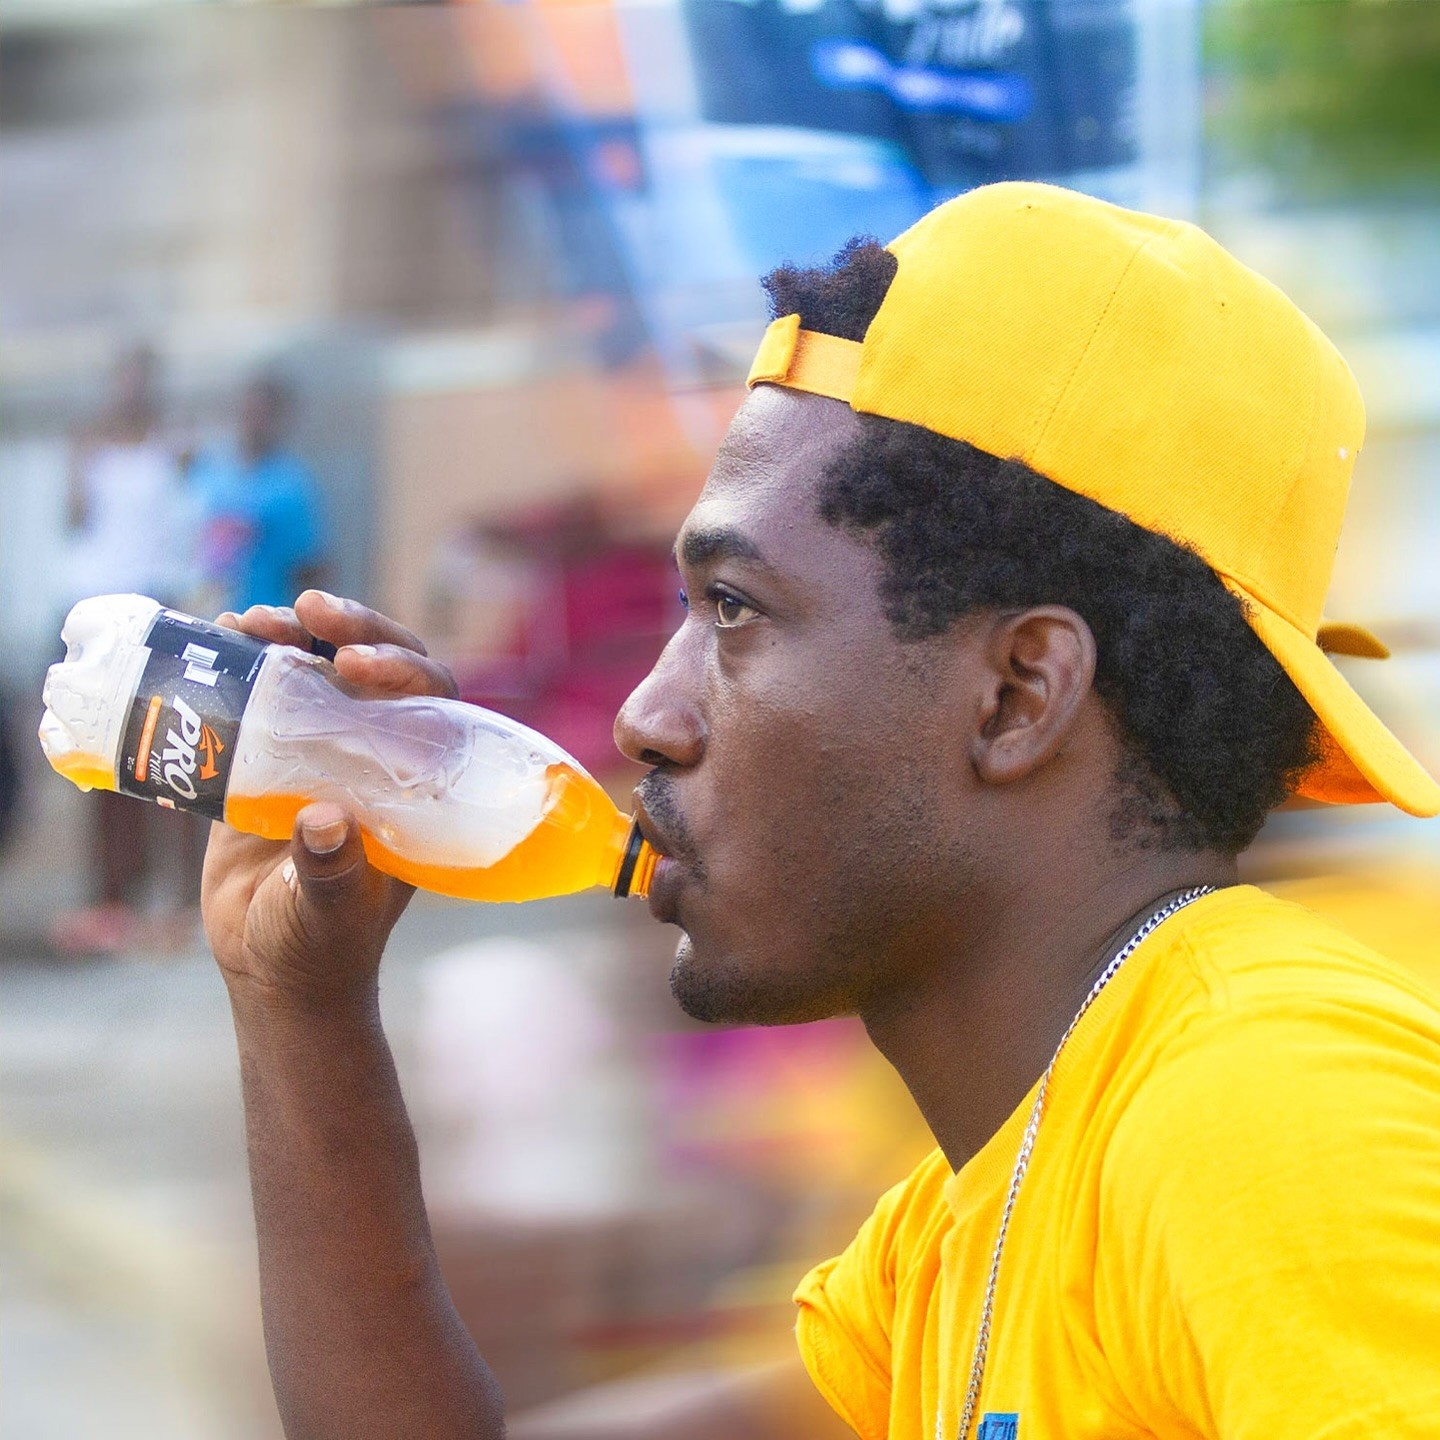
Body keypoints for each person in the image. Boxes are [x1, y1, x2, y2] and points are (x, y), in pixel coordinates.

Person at [201, 184, 1440, 1439]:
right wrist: (299, 1002)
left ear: (1017, 694)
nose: (644, 717)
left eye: (734, 609)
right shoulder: (944, 1242)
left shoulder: (1267, 1115)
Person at [54, 344, 200, 954]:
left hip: (152, 611)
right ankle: (113, 893)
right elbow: (75, 520)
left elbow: (189, 525)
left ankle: (175, 895)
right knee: (99, 758)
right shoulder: (89, 446)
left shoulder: (175, 447)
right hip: (97, 610)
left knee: (160, 750)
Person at [190, 372, 329, 616]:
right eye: (249, 412)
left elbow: (309, 566)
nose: (254, 422)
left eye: (263, 415)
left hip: (262, 617)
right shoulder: (211, 469)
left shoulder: (291, 485)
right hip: (206, 614)